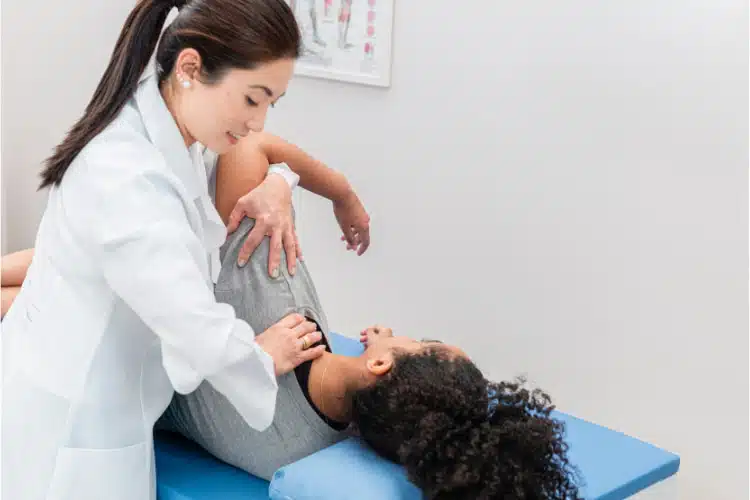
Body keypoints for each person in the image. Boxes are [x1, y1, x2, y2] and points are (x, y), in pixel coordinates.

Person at [0, 1, 372, 499]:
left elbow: (197, 239)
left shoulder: (169, 130)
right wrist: (260, 356)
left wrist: (280, 182)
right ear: (191, 67)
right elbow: (195, 328)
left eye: (270, 104)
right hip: (74, 423)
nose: (256, 122)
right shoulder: (128, 177)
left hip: (93, 378)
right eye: (252, 99)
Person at [155, 134, 583, 499]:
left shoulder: (272, 285)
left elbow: (246, 143)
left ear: (381, 365)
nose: (406, 336)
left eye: (421, 343)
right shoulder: (317, 449)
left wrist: (334, 191)